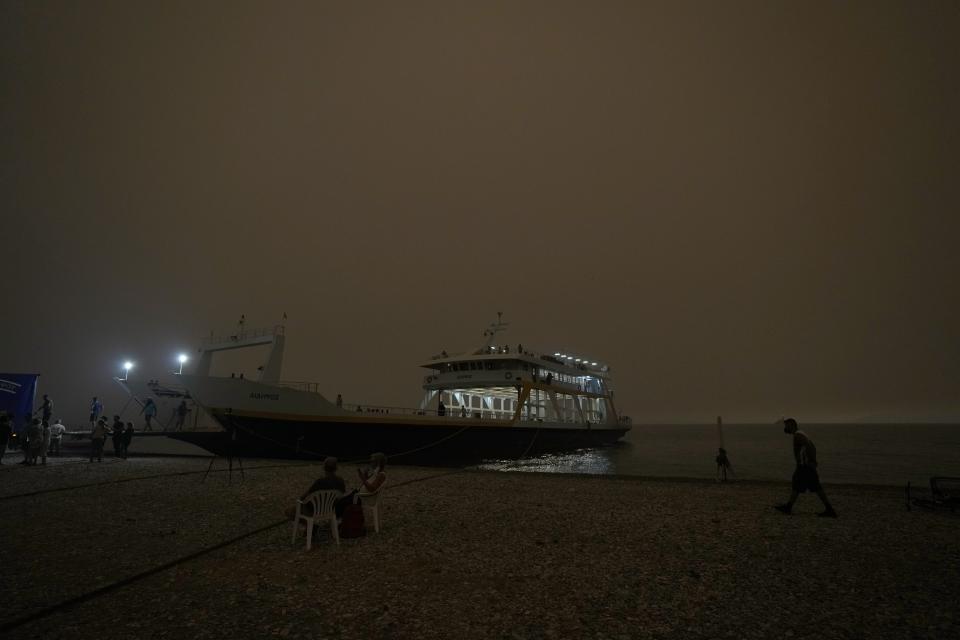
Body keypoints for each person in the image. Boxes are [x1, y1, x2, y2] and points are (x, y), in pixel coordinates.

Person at [775, 418, 838, 518]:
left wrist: (811, 461)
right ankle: (789, 507)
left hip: (805, 466)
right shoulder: (800, 433)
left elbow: (809, 446)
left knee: (811, 486)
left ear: (791, 425)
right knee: (804, 485)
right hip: (805, 465)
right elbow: (812, 446)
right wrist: (812, 461)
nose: (785, 428)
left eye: (786, 425)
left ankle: (829, 509)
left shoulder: (798, 435)